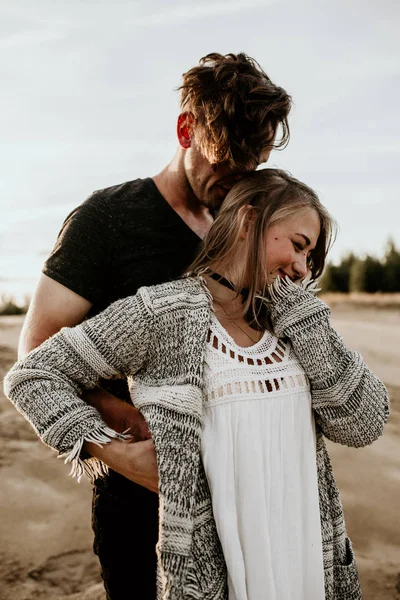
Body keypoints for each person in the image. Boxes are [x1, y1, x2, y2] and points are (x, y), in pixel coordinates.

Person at [5, 169, 389, 600]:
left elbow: (364, 423)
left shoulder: (294, 322)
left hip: (307, 555)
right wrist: (113, 451)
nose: (302, 267)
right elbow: (33, 375)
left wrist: (307, 323)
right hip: (220, 565)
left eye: (309, 255)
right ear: (248, 221)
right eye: (298, 245)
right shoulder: (163, 313)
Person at [17, 53, 292, 598]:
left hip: (243, 493)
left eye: (251, 166)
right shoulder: (108, 219)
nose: (237, 181)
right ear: (185, 129)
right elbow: (36, 352)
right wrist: (120, 436)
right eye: (226, 162)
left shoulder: (241, 229)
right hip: (144, 498)